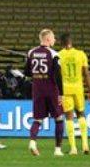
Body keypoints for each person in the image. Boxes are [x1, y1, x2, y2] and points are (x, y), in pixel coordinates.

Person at [24, 28, 65, 157]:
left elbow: (26, 72)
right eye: (53, 37)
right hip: (51, 89)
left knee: (37, 120)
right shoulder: (53, 54)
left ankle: (32, 142)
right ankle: (58, 149)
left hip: (37, 89)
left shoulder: (31, 52)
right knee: (58, 118)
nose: (55, 40)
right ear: (47, 39)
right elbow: (58, 75)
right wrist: (61, 94)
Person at [58, 33, 90, 155]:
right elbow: (86, 74)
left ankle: (73, 148)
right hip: (78, 89)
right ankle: (85, 144)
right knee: (81, 114)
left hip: (65, 90)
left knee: (68, 117)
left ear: (61, 43)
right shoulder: (81, 54)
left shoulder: (58, 56)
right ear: (71, 41)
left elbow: (56, 76)